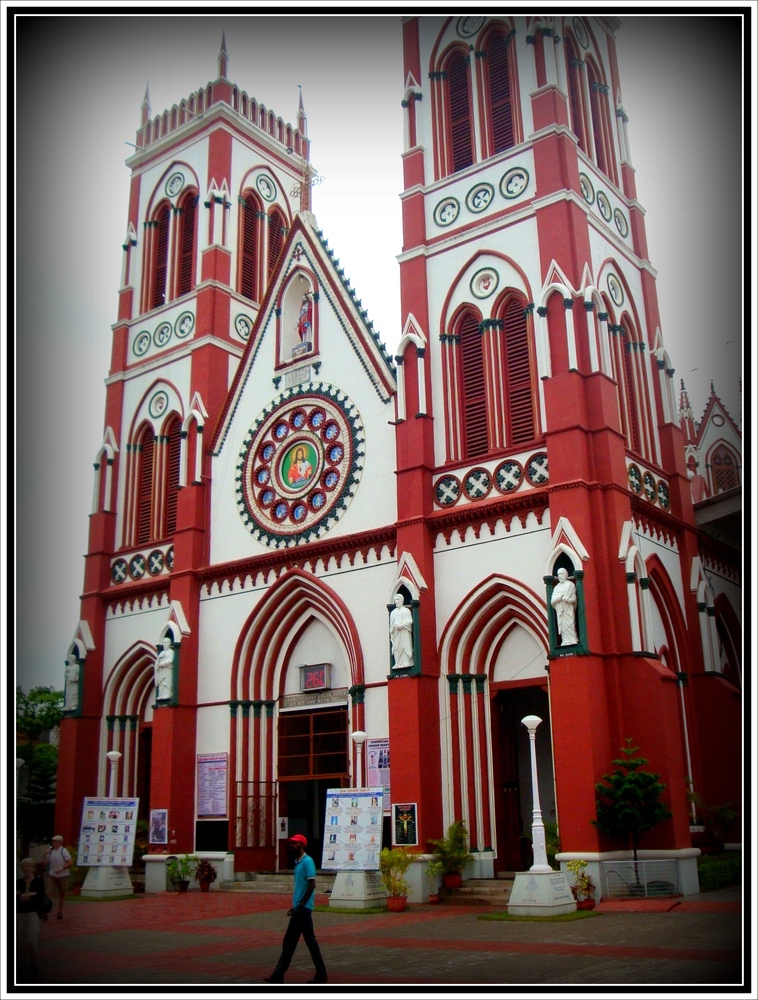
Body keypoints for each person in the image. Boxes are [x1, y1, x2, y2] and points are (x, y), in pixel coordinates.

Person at [264, 834, 327, 984]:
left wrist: (300, 905)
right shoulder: (297, 863)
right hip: (300, 908)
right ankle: (320, 974)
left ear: (302, 845)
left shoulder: (307, 862)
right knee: (299, 942)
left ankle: (278, 975)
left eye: (295, 843)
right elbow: (301, 887)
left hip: (303, 909)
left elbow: (312, 885)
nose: (292, 845)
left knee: (293, 942)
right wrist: (295, 906)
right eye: (291, 843)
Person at [16, 857, 45, 979]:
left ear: (33, 868)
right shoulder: (18, 882)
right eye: (24, 867)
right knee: (19, 942)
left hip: (33, 913)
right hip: (19, 913)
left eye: (29, 866)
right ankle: (21, 967)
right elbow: (17, 898)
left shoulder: (39, 881)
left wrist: (25, 895)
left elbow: (39, 896)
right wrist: (30, 895)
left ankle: (34, 963)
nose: (27, 869)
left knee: (32, 940)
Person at [43, 835, 72, 920]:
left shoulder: (63, 851)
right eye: (53, 841)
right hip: (52, 875)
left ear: (59, 842)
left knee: (62, 894)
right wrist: (44, 854)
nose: (53, 843)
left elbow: (70, 862)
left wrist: (62, 868)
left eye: (55, 841)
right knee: (48, 893)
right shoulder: (51, 852)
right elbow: (44, 863)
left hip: (62, 876)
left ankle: (60, 911)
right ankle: (45, 912)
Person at [551, 568, 578, 646]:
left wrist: (568, 600)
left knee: (570, 624)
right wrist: (560, 597)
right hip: (560, 611)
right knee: (563, 627)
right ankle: (565, 640)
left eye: (562, 574)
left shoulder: (570, 585)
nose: (560, 576)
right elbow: (552, 601)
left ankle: (573, 639)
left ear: (566, 575)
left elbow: (574, 599)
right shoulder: (556, 587)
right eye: (558, 574)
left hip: (568, 610)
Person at [389, 593, 414, 668]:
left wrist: (402, 626)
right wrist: (393, 630)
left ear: (402, 600)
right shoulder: (393, 613)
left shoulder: (406, 611)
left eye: (397, 599)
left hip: (404, 632)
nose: (396, 601)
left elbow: (410, 621)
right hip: (396, 633)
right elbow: (391, 624)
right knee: (396, 648)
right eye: (395, 600)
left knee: (404, 646)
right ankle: (398, 662)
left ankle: (406, 662)